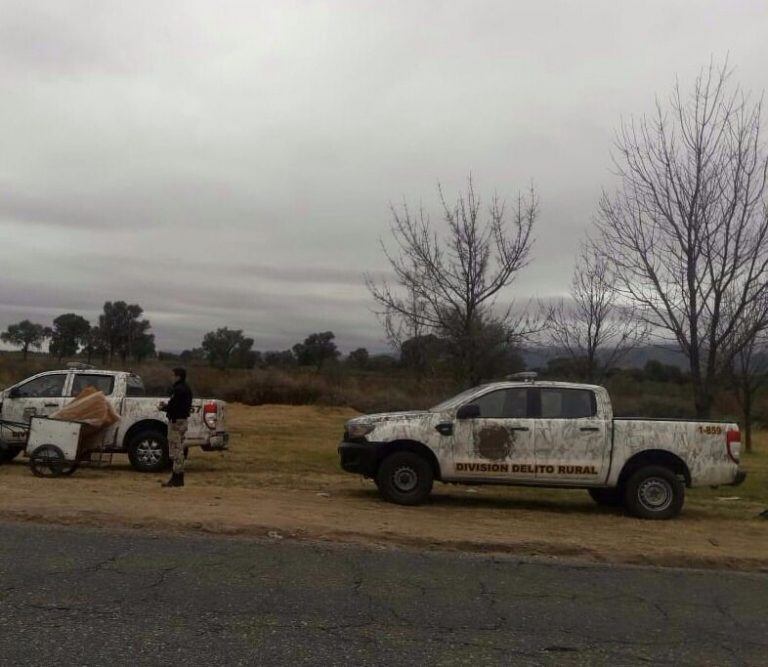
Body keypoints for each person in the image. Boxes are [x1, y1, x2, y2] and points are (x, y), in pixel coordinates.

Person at [160, 367, 193, 488]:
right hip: (182, 421)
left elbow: (174, 406)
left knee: (176, 450)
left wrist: (163, 408)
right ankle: (177, 477)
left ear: (178, 376)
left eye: (173, 375)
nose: (171, 378)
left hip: (176, 422)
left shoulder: (178, 390)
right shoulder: (186, 388)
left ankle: (177, 477)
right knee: (178, 448)